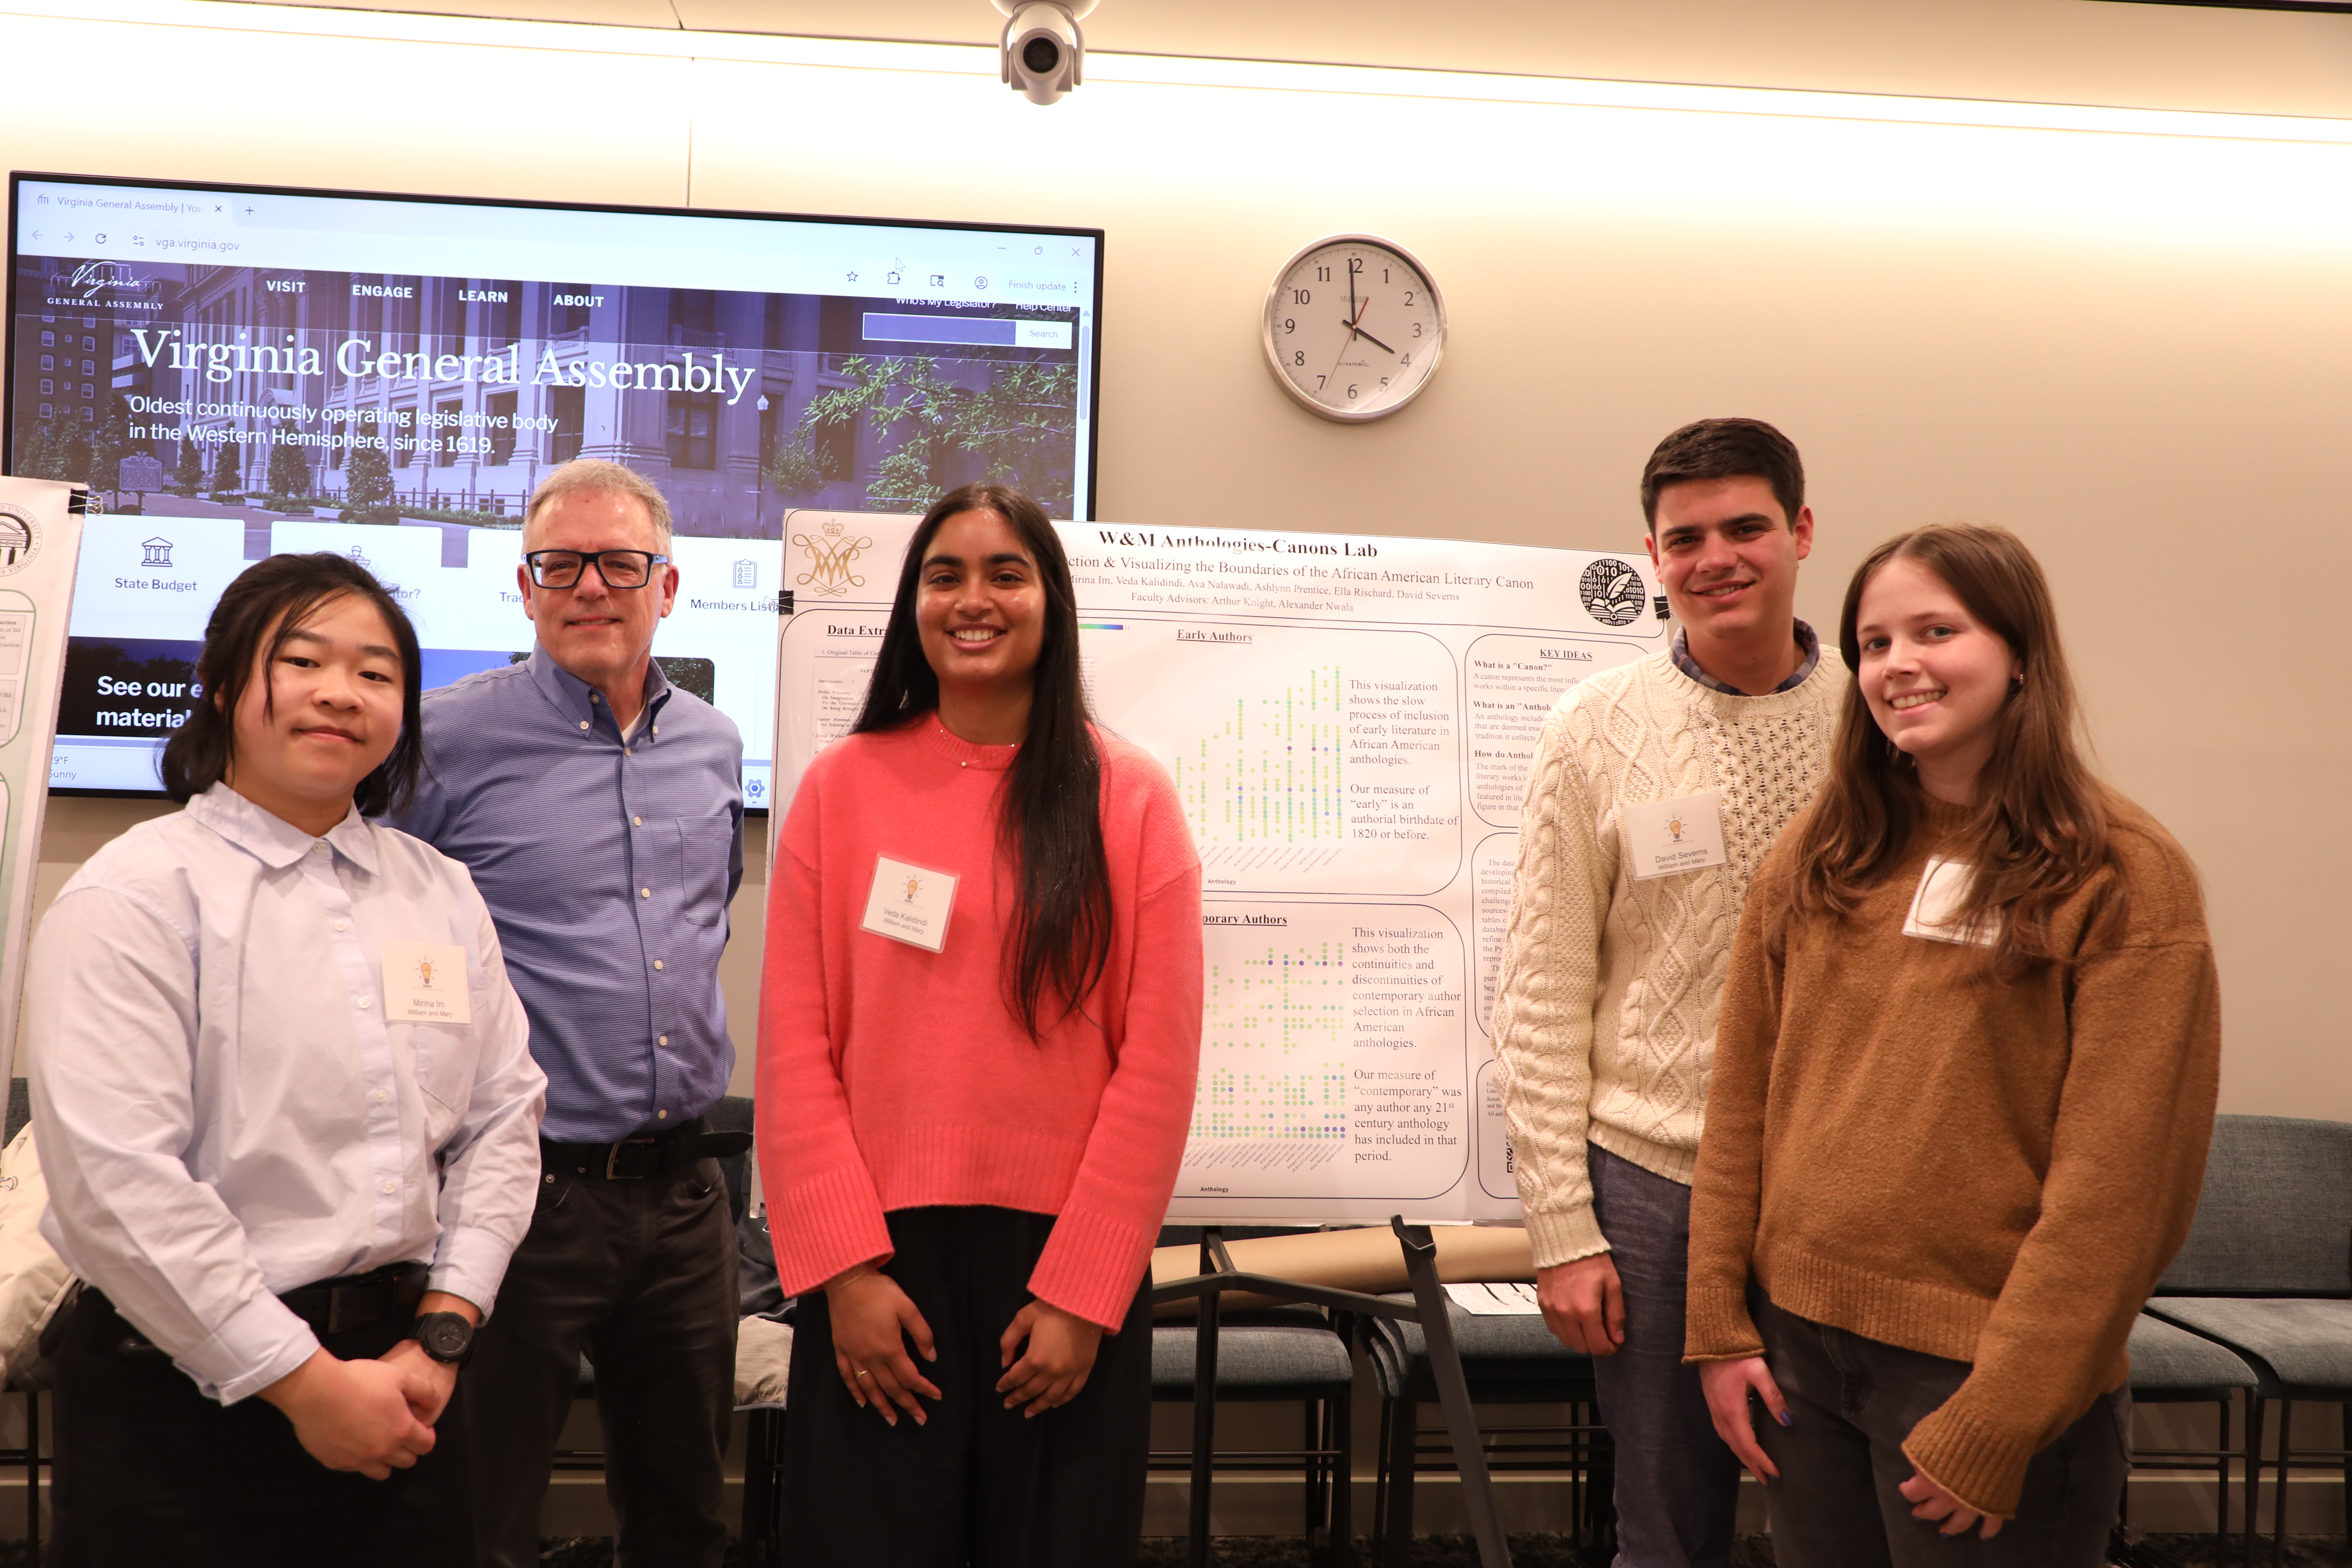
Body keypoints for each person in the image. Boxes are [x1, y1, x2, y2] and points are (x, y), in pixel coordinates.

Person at [1684, 523, 2220, 1561]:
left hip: (1977, 1373)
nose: (1900, 666)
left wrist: (2005, 1414)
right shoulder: (1823, 850)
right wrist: (1720, 1328)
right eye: (1875, 643)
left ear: (2021, 653)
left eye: (1938, 630)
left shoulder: (2122, 874)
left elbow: (2120, 1186)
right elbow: (1741, 1098)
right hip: (1801, 1356)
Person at [29, 552, 546, 1566]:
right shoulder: (135, 895)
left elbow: (504, 1113)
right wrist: (304, 1384)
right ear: (223, 685)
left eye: (376, 672)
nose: (339, 694)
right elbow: (117, 1184)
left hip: (407, 1379)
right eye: (302, 661)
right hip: (183, 1401)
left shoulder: (438, 889)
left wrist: (445, 1332)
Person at [758, 482, 1202, 1567]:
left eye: (1006, 573)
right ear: (913, 603)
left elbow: (1157, 1066)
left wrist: (1085, 1295)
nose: (974, 599)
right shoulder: (841, 786)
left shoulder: (1129, 796)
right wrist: (842, 1276)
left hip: (1057, 1271)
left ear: (1052, 600)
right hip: (878, 1265)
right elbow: (792, 1045)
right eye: (944, 575)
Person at [1490, 417, 1844, 1564]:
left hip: (1830, 1179)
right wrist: (1562, 1227)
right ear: (1653, 554)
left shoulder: (1881, 724)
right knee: (1664, 1527)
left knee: (1837, 1513)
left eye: (1746, 527)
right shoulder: (1591, 728)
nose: (1716, 558)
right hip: (1649, 1184)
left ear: (1799, 532)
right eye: (1685, 537)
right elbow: (1541, 991)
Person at [384, 459, 747, 1568]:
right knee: (482, 1514)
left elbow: (706, 913)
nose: (593, 586)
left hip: (688, 1198)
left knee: (686, 1514)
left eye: (621, 563)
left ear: (668, 587)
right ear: (527, 587)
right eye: (562, 565)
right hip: (522, 1201)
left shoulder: (715, 745)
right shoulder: (443, 742)